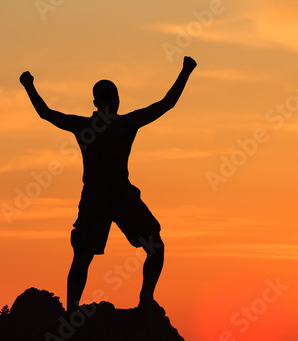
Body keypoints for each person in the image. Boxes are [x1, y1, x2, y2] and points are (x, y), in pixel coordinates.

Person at [19, 57, 197, 310]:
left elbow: (46, 114)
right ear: (114, 100)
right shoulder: (124, 124)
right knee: (148, 246)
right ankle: (140, 301)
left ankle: (77, 309)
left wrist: (29, 86)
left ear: (96, 102)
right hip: (110, 195)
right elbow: (167, 104)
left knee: (86, 256)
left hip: (105, 196)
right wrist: (186, 71)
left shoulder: (87, 126)